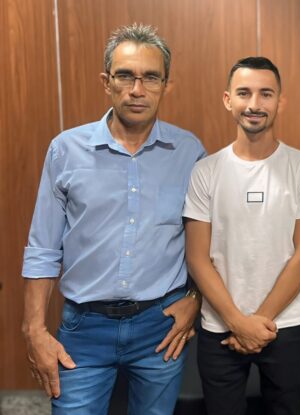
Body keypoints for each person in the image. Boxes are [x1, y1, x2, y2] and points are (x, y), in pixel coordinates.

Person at [21, 23, 206, 414]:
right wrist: (33, 329)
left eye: (151, 78)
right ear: (107, 82)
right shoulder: (65, 150)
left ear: (165, 85)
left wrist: (195, 299)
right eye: (125, 76)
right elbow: (42, 248)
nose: (137, 90)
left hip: (161, 326)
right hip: (84, 330)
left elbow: (206, 242)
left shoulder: (189, 152)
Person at [183, 56, 300, 415]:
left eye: (266, 94)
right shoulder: (206, 171)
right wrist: (237, 322)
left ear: (281, 101)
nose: (255, 104)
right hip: (220, 327)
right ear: (228, 99)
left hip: (284, 325)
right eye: (244, 93)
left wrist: (257, 323)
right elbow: (197, 257)